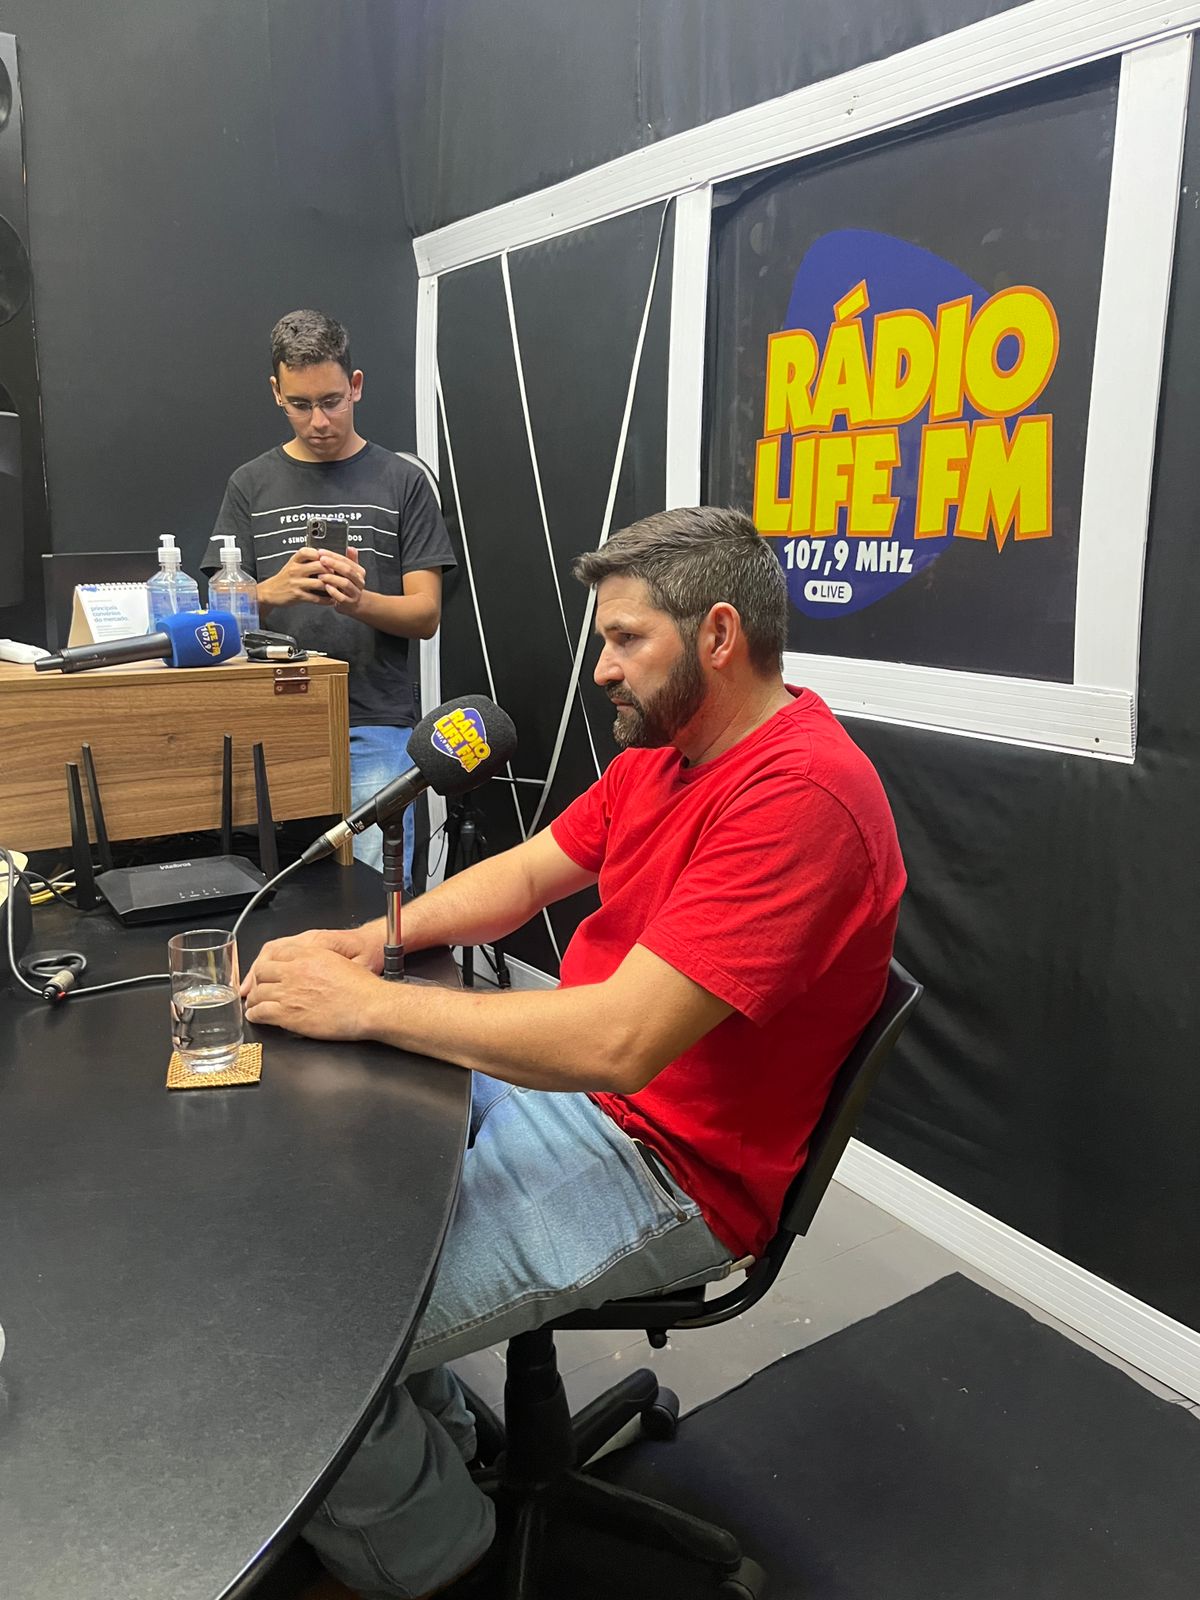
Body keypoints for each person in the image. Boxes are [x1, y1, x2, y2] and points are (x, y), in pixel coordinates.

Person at [243, 506, 906, 1598]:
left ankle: (437, 1553)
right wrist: (376, 938)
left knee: (297, 1351)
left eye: (625, 639)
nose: (601, 668)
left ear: (719, 635)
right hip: (580, 1097)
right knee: (320, 1204)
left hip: (665, 1166)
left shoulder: (802, 796)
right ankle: (437, 1442)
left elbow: (619, 1041)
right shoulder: (669, 753)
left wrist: (365, 1005)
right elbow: (528, 874)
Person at [203, 309, 457, 885]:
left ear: (356, 385)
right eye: (300, 404)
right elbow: (214, 622)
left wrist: (357, 602)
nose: (318, 421)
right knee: (267, 884)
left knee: (372, 890)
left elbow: (425, 615)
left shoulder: (402, 482)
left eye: (332, 401)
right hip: (269, 718)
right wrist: (271, 592)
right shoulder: (250, 484)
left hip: (374, 718)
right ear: (276, 393)